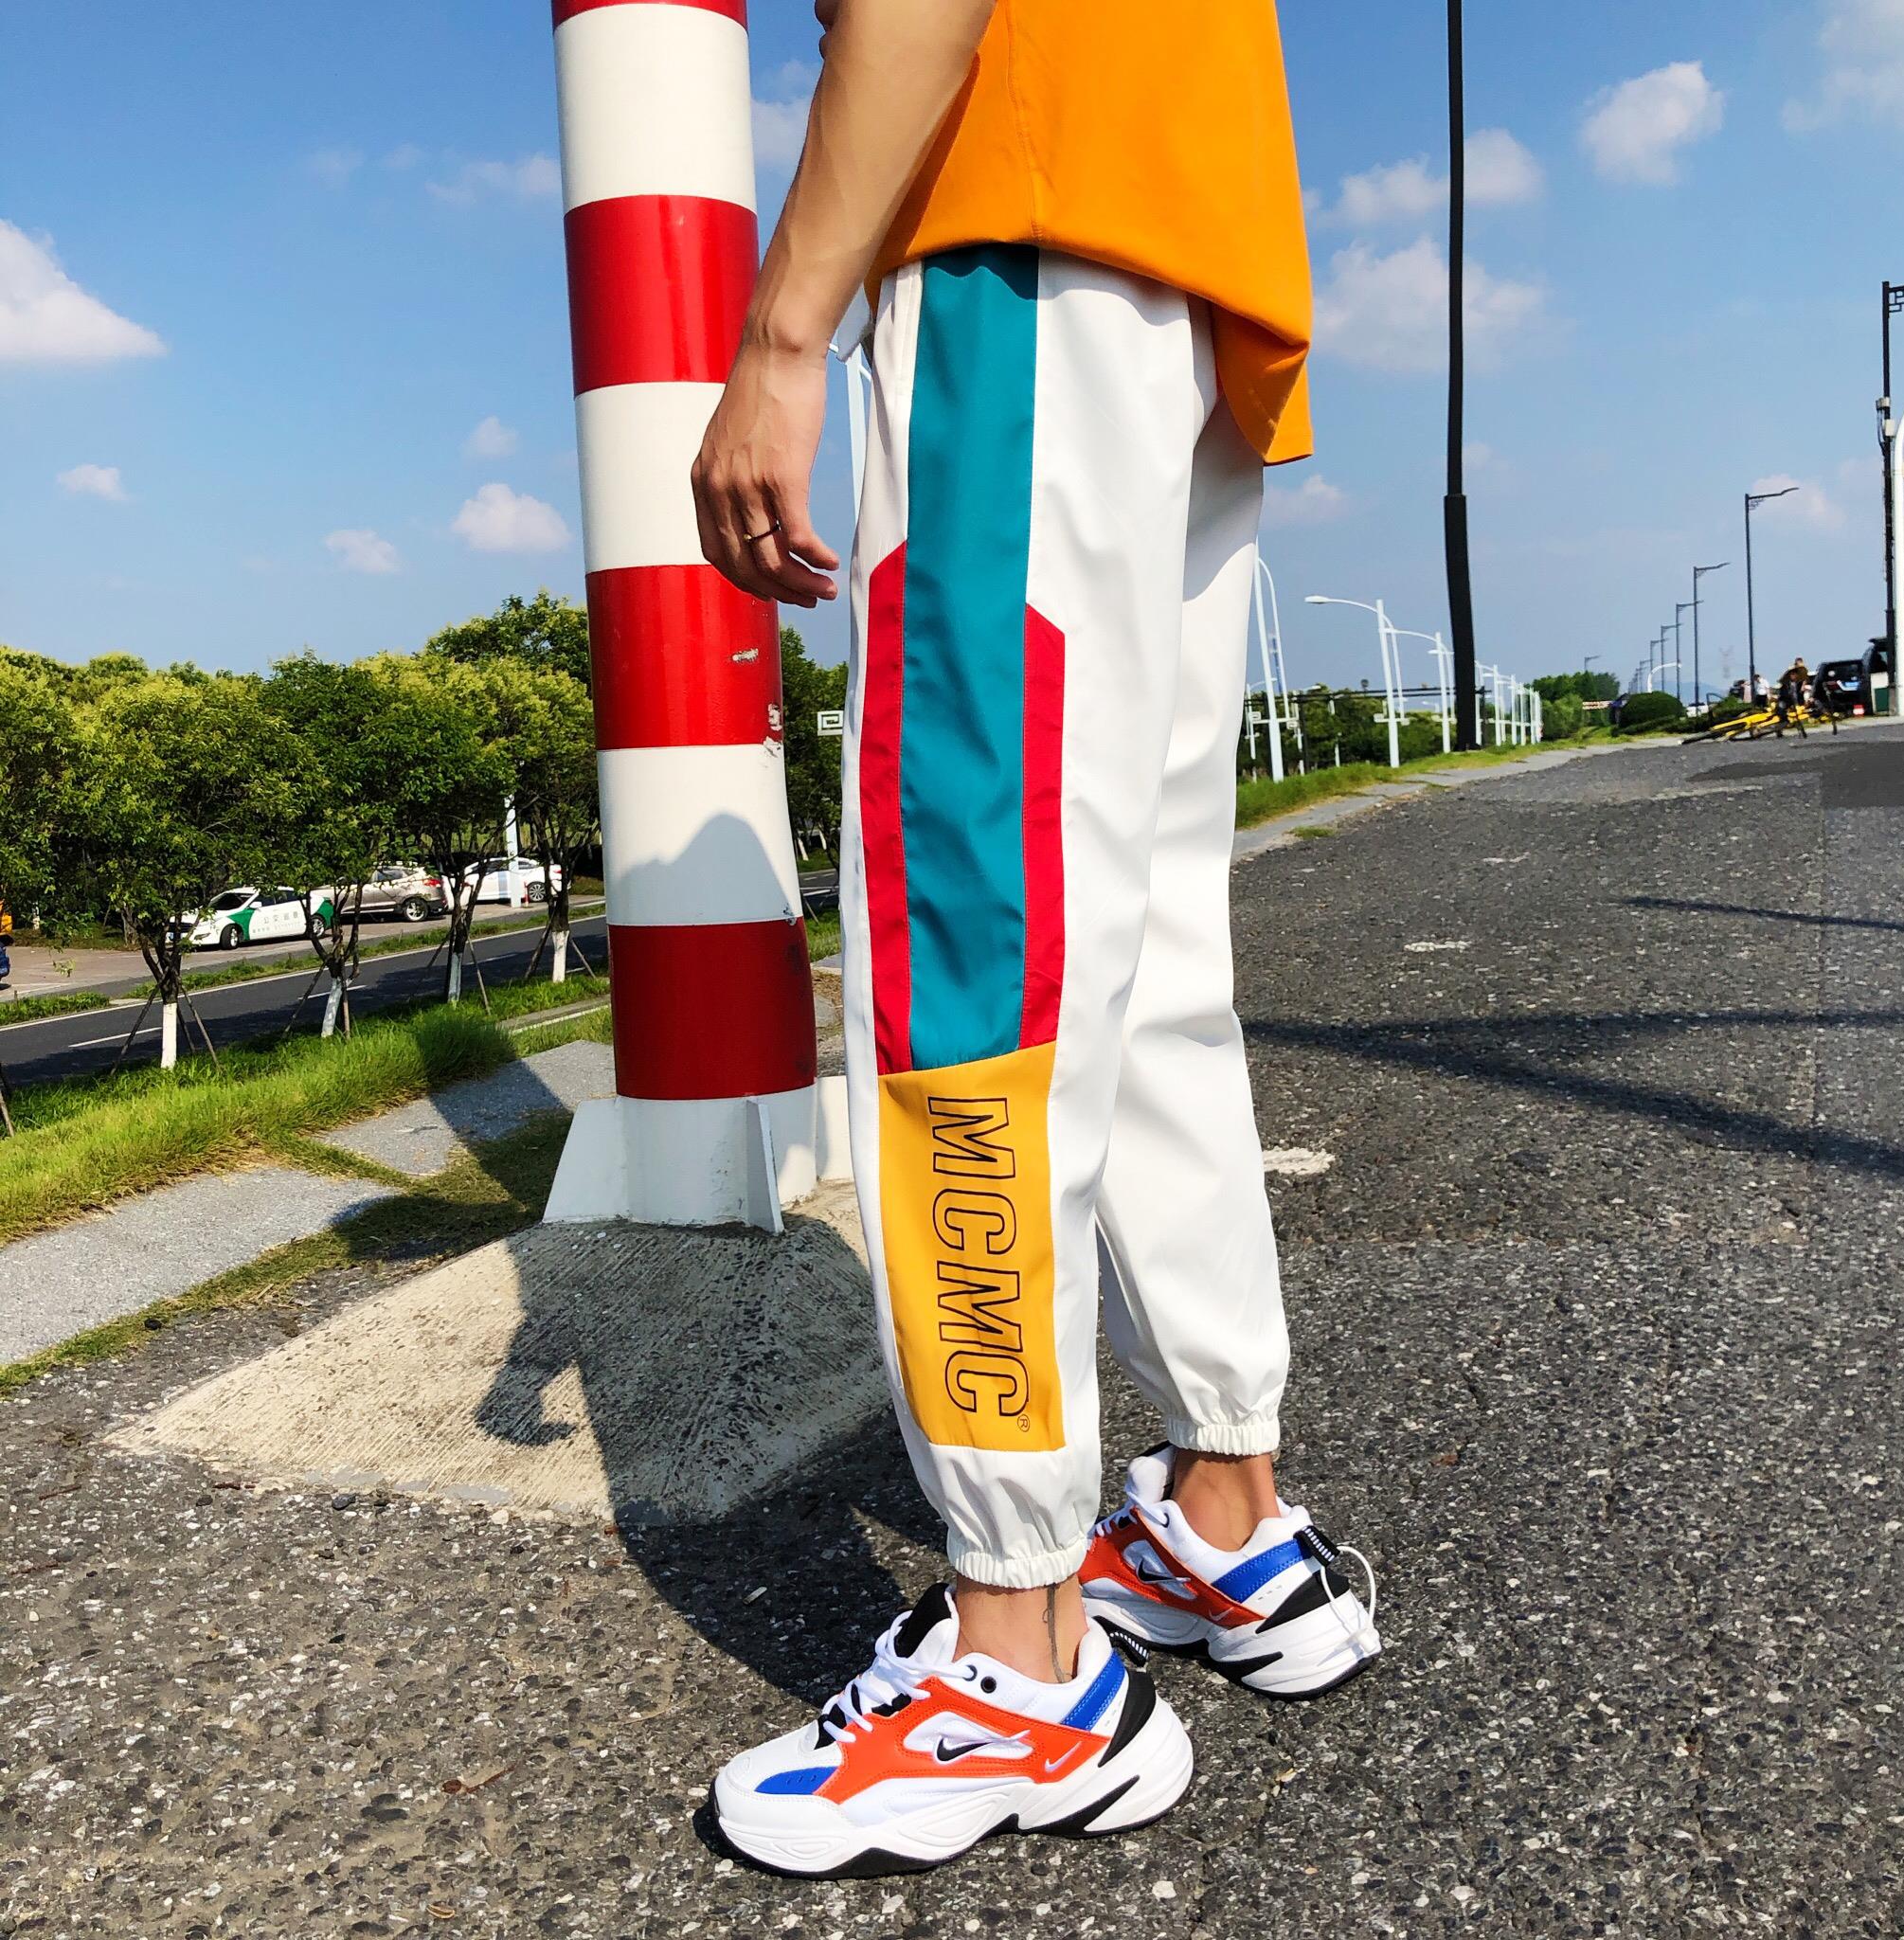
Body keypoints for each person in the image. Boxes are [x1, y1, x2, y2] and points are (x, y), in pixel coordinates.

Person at [691, 0, 1378, 1877]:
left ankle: (1021, 1660)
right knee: (1142, 958)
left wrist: (781, 332)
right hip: (1192, 269)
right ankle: (1226, 1518)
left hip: (1012, 247)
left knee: (973, 966)